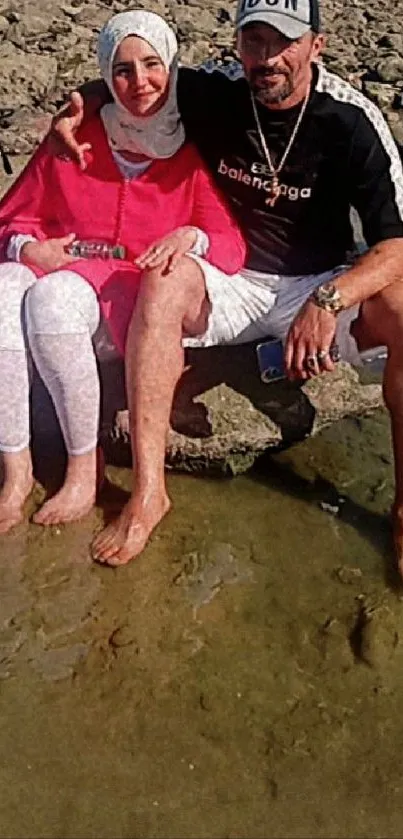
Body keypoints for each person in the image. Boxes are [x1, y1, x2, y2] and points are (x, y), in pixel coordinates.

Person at [52, 0, 403, 574]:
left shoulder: (351, 120)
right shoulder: (216, 87)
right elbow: (138, 76)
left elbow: (397, 245)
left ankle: (402, 510)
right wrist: (78, 107)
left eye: (284, 42)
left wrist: (327, 300)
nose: (267, 59)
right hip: (233, 275)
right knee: (162, 279)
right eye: (254, 42)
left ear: (316, 44)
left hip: (320, 278)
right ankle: (148, 493)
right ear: (237, 45)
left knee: (401, 305)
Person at [0, 10, 245, 535]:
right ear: (105, 75)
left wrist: (190, 237)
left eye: (153, 65)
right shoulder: (75, 134)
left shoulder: (193, 143)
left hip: (126, 306)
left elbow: (230, 245)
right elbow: (12, 216)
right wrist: (28, 248)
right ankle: (15, 471)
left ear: (171, 67)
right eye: (123, 70)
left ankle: (83, 471)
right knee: (4, 287)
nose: (140, 83)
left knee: (53, 298)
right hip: (68, 272)